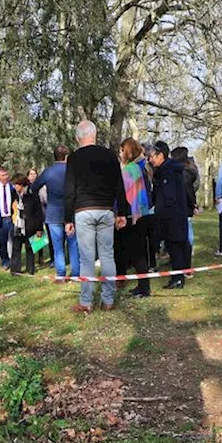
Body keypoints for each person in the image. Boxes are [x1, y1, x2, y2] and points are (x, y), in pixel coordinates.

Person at [64, 120, 127, 312]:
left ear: (77, 138)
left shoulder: (74, 158)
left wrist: (68, 218)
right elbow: (119, 185)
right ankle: (108, 300)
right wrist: (122, 212)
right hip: (106, 209)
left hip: (83, 211)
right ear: (95, 135)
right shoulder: (109, 155)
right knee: (108, 256)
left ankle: (86, 302)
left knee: (87, 259)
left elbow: (69, 190)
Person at [150, 141, 190, 289]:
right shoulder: (167, 171)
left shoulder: (168, 172)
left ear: (161, 155)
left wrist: (161, 216)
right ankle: (177, 277)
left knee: (175, 247)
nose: (151, 160)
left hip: (172, 217)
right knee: (175, 248)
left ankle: (178, 279)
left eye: (153, 156)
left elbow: (169, 198)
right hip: (174, 216)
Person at [31, 146, 77, 278]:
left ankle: (61, 274)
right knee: (73, 245)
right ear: (67, 156)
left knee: (58, 247)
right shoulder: (72, 170)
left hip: (53, 212)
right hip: (71, 212)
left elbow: (34, 187)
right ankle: (76, 274)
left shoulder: (48, 172)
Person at [118, 137, 154, 298]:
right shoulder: (139, 168)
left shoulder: (129, 169)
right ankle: (142, 284)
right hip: (142, 214)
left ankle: (144, 287)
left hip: (134, 216)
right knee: (140, 252)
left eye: (121, 150)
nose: (119, 154)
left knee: (138, 253)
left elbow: (123, 194)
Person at [9, 173, 44, 274]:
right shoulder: (14, 195)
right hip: (17, 226)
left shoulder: (32, 195)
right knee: (16, 248)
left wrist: (39, 228)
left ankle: (30, 270)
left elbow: (38, 212)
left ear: (22, 184)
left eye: (16, 184)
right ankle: (15, 270)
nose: (15, 187)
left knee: (30, 248)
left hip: (30, 226)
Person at [174, 147, 199, 261]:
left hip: (183, 205)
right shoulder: (189, 171)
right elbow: (192, 190)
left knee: (186, 231)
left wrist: (193, 204)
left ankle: (187, 251)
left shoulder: (182, 174)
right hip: (187, 205)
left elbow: (188, 191)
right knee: (188, 228)